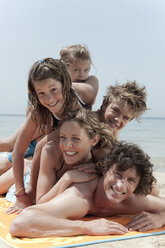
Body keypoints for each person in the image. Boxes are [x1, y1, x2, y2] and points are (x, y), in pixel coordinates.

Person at [9, 141, 165, 238]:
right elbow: (20, 223)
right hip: (34, 180)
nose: (120, 186)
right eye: (117, 175)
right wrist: (86, 227)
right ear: (104, 170)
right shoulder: (80, 197)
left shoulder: (131, 200)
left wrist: (160, 218)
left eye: (130, 180)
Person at [3, 58, 97, 211]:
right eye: (41, 93)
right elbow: (18, 151)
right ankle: (29, 174)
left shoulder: (83, 95)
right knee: (34, 146)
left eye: (54, 89)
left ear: (65, 84)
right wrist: (21, 195)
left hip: (66, 147)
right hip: (47, 158)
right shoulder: (39, 113)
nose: (50, 98)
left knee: (44, 145)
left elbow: (98, 111)